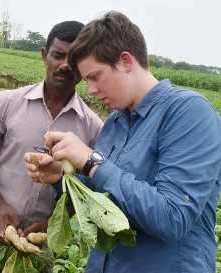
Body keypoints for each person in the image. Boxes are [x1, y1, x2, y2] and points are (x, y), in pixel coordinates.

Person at [24, 11, 221, 273]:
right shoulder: (115, 123)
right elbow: (100, 203)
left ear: (126, 61)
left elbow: (173, 218)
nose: (90, 89)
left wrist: (92, 160)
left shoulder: (189, 112)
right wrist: (59, 178)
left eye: (95, 77)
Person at [0, 20, 103, 273]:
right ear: (44, 55)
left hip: (38, 249)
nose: (65, 65)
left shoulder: (92, 126)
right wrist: (0, 207)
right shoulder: (7, 102)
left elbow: (84, 192)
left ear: (84, 66)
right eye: (58, 55)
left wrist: (54, 222)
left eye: (74, 60)